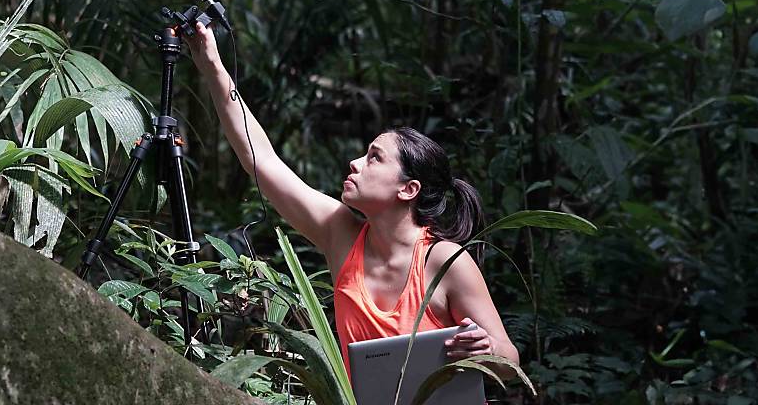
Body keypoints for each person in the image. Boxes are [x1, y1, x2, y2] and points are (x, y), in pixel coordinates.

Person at [187, 21, 520, 382]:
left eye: (375, 157)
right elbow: (261, 160)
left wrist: (486, 348)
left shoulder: (444, 260)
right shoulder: (340, 231)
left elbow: (511, 361)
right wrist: (212, 65)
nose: (356, 163)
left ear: (408, 189)